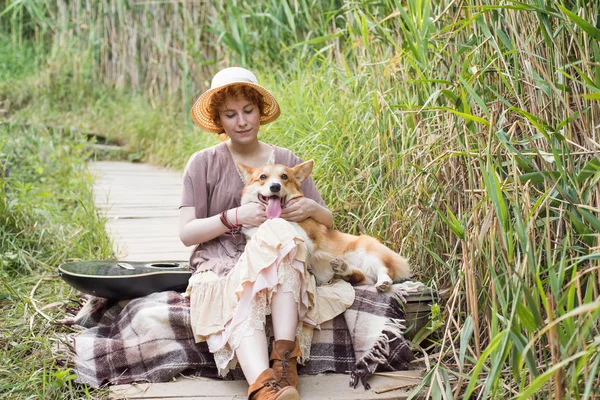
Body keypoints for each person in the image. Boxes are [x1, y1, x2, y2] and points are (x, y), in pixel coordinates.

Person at [179, 67, 354, 400]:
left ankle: (283, 366)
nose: (242, 121)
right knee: (245, 289)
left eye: (248, 111)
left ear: (260, 112)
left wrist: (310, 210)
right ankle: (263, 384)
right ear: (219, 120)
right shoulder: (202, 163)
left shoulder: (285, 161)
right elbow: (187, 233)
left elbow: (327, 219)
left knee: (283, 242)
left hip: (279, 260)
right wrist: (233, 216)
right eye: (230, 115)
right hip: (221, 265)